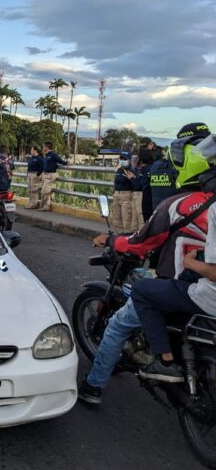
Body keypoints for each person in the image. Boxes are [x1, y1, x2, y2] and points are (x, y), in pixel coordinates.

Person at [79, 133, 214, 402]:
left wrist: (111, 239)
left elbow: (140, 244)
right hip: (198, 289)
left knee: (118, 325)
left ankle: (93, 387)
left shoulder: (179, 204)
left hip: (184, 286)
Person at [131, 134, 216, 382]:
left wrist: (190, 262)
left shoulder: (188, 205)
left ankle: (164, 361)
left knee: (142, 290)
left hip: (210, 296)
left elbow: (213, 273)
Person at [110, 151, 141, 232]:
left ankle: (126, 238)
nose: (122, 160)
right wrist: (114, 193)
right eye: (121, 158)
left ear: (129, 160)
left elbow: (135, 184)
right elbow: (115, 182)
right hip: (117, 195)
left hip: (127, 195)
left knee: (127, 220)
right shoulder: (119, 169)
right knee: (117, 219)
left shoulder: (131, 170)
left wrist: (131, 178)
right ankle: (119, 237)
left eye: (124, 159)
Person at [39, 141, 67, 211]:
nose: (42, 148)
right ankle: (46, 207)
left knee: (44, 192)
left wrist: (66, 163)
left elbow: (60, 161)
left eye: (43, 147)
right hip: (45, 175)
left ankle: (43, 205)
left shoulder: (53, 154)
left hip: (51, 175)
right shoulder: (46, 155)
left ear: (46, 147)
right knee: (46, 192)